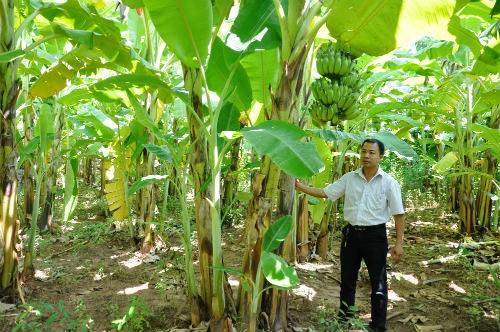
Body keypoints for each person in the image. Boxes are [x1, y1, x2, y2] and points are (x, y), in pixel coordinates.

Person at [295, 138, 405, 332]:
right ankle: (344, 319)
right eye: (363, 151)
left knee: (378, 284)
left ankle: (378, 326)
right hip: (352, 235)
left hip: (375, 237)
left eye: (371, 152)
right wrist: (300, 187)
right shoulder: (350, 178)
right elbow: (326, 192)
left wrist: (399, 244)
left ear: (380, 156)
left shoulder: (389, 182)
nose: (366, 155)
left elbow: (398, 214)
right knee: (347, 280)